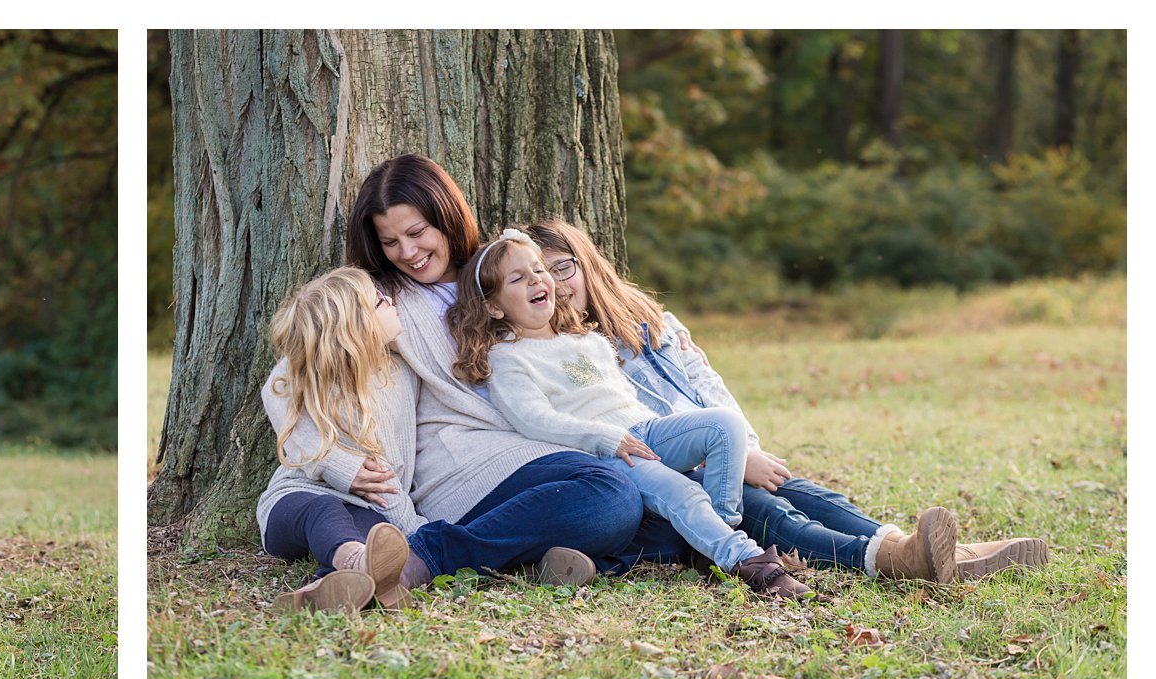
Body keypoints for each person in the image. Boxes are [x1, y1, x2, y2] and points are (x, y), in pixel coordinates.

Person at [519, 218, 1047, 582]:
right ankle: (898, 560)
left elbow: (710, 387)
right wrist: (717, 459)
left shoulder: (652, 321)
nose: (557, 286)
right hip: (663, 478)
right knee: (768, 507)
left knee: (800, 490)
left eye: (563, 267)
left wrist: (743, 449)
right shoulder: (562, 353)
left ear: (586, 263)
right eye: (540, 275)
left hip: (718, 451)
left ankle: (921, 549)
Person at [448, 231, 806, 598]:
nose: (538, 280)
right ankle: (748, 561)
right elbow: (533, 419)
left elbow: (620, 397)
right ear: (493, 307)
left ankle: (716, 536)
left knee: (722, 425)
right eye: (518, 278)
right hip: (606, 452)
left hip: (645, 429)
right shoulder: (510, 357)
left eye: (539, 270)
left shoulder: (585, 340)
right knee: (682, 492)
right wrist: (605, 438)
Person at [339, 154, 637, 589]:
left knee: (650, 500)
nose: (407, 253)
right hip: (464, 462)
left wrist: (662, 327)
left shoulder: (496, 271)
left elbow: (587, 307)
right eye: (390, 242)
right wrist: (335, 461)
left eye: (417, 233)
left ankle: (546, 560)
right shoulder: (380, 298)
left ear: (446, 217)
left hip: (538, 445)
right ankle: (427, 556)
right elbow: (290, 379)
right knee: (613, 495)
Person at [254, 268, 421, 613]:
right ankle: (354, 561)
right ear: (357, 328)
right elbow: (276, 387)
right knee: (325, 510)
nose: (391, 302)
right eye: (380, 301)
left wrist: (414, 527)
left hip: (368, 509)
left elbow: (387, 488)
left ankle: (325, 588)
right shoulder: (313, 377)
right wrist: (337, 466)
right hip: (295, 503)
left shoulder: (401, 373)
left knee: (375, 534)